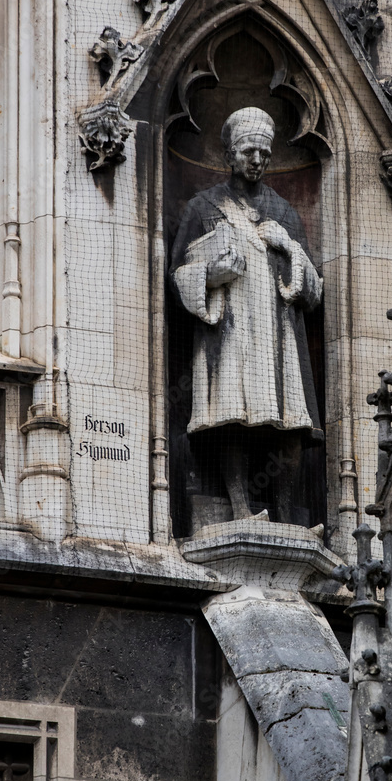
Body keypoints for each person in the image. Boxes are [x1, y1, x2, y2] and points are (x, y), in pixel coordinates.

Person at [170, 107, 323, 522]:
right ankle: (239, 509)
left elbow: (315, 288)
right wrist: (210, 274)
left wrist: (289, 246)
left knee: (289, 422)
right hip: (230, 330)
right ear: (231, 155)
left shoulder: (285, 213)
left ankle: (289, 515)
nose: (257, 161)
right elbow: (176, 276)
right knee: (232, 415)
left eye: (264, 154)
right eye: (249, 152)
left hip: (278, 333)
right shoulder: (202, 207)